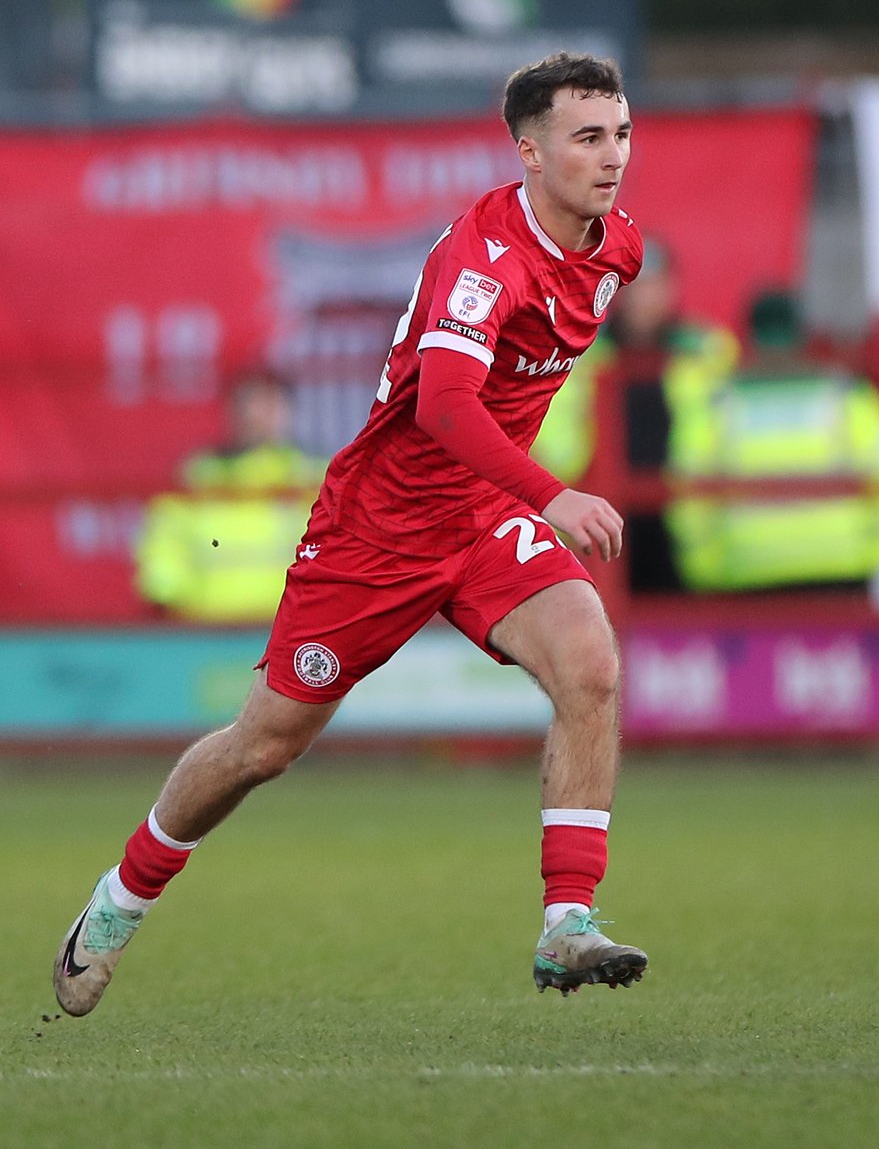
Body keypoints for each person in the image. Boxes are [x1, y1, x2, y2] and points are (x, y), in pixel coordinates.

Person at [53, 51, 648, 1016]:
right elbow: (447, 409)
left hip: (483, 520)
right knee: (262, 748)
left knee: (591, 667)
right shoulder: (481, 261)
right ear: (529, 153)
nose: (612, 155)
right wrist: (551, 495)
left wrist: (517, 504)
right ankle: (117, 904)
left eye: (620, 133)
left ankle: (567, 925)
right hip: (379, 533)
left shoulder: (616, 245)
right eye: (587, 137)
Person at [531, 239, 739, 592]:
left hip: (684, 522)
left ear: (672, 289)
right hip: (602, 517)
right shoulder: (582, 353)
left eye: (655, 287)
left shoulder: (706, 349)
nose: (646, 299)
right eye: (636, 288)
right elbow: (553, 436)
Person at [664, 287, 879, 592]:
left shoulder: (715, 404)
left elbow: (688, 494)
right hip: (840, 568)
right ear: (804, 335)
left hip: (745, 570)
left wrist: (706, 571)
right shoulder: (847, 397)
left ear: (747, 337)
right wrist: (871, 557)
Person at [135, 370, 327, 623]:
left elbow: (337, 551)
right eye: (248, 404)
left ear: (289, 412)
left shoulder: (313, 476)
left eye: (268, 405)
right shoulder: (199, 475)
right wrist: (167, 599)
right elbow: (164, 547)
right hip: (205, 630)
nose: (256, 415)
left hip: (291, 628)